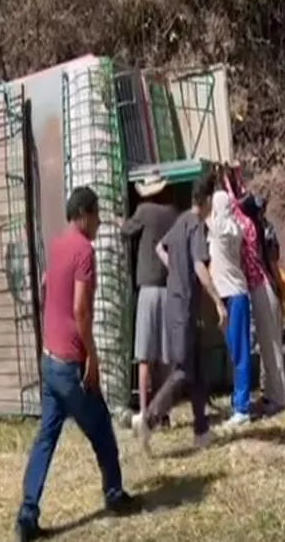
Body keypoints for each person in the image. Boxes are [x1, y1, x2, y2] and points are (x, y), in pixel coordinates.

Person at [16, 186, 140, 541]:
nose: (100, 222)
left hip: (50, 361)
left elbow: (45, 287)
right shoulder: (84, 250)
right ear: (84, 214)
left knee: (46, 438)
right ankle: (114, 495)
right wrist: (93, 358)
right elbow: (81, 309)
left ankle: (27, 514)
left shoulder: (56, 246)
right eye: (97, 215)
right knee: (101, 428)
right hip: (71, 363)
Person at [132, 172, 227, 451]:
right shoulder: (196, 224)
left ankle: (201, 430)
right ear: (207, 200)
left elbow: (161, 246)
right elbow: (199, 266)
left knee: (197, 368)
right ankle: (148, 418)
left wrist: (175, 268)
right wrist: (218, 301)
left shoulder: (183, 219)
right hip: (182, 307)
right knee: (184, 370)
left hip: (182, 304)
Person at [222, 163, 285, 416]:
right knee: (268, 344)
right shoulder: (258, 226)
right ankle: (273, 394)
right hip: (262, 288)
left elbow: (235, 204)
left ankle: (278, 398)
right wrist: (233, 176)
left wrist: (225, 178)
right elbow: (240, 200)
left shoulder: (249, 228)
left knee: (271, 346)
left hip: (263, 288)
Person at [119, 174, 178, 428]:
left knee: (145, 356)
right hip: (168, 289)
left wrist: (117, 220)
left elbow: (127, 230)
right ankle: (162, 413)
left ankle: (144, 412)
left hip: (148, 290)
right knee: (166, 357)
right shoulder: (173, 213)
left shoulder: (143, 210)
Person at [207, 188, 251, 426]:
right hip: (230, 294)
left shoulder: (222, 229)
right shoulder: (233, 227)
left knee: (240, 351)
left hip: (234, 295)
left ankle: (242, 408)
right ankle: (239, 401)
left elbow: (205, 219)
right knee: (236, 351)